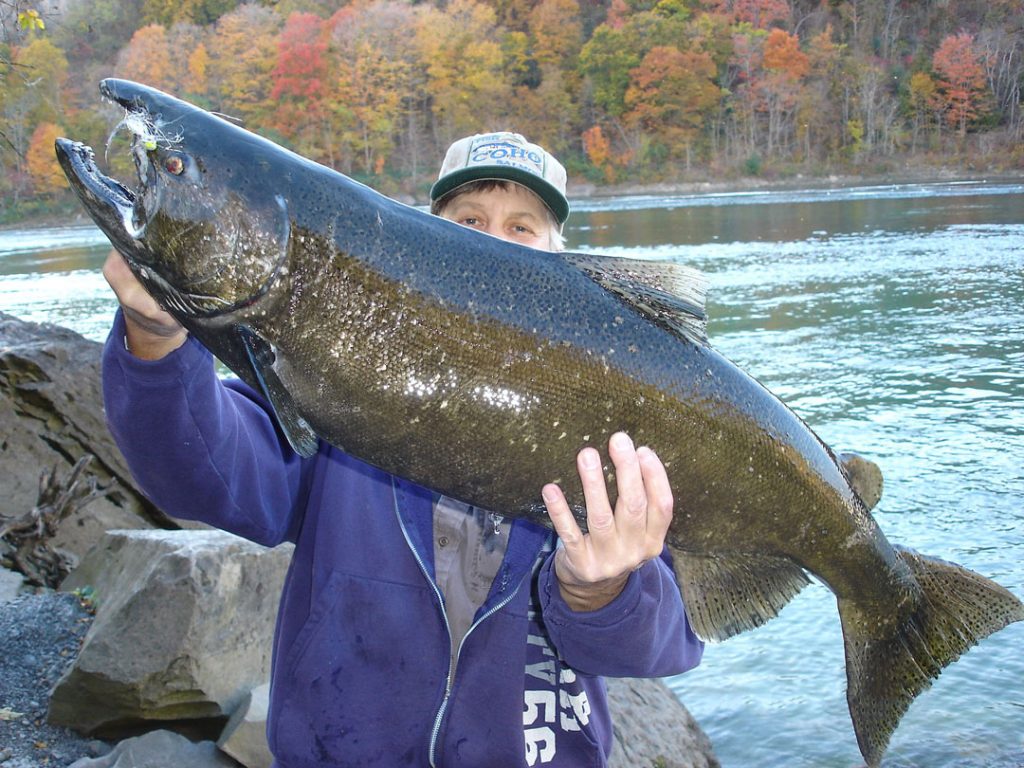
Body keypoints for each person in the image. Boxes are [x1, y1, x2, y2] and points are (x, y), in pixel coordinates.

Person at [101, 131, 704, 767]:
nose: (492, 242)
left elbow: (665, 645)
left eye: (522, 227)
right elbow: (201, 475)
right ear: (425, 239)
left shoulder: (616, 429)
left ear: (560, 257)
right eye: (469, 221)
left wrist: (598, 592)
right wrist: (155, 338)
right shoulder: (337, 377)